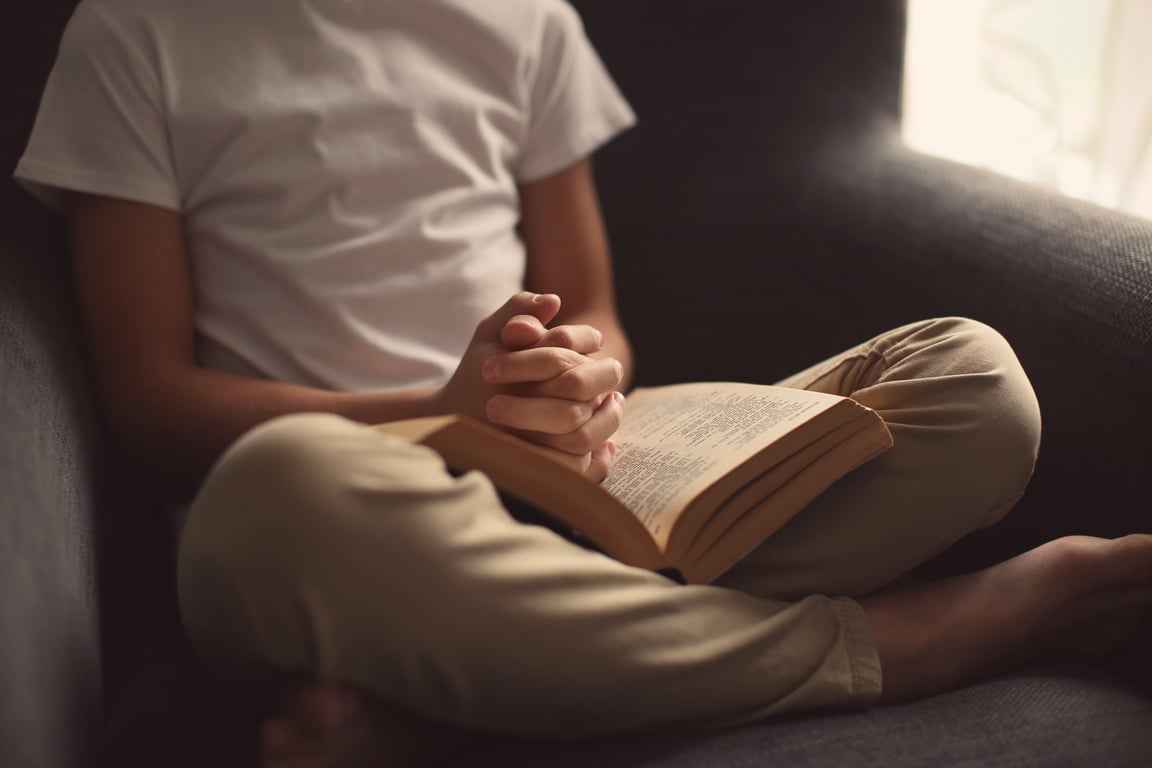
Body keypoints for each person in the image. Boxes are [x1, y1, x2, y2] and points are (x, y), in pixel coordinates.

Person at [15, 0, 1152, 766]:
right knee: (276, 486)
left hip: (569, 498)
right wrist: (438, 415)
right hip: (353, 526)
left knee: (971, 379)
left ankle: (453, 714)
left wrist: (583, 382)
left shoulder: (523, 20)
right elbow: (151, 409)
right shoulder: (136, 33)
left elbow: (594, 312)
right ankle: (901, 643)